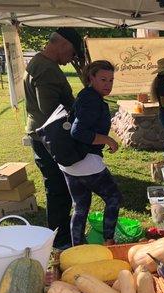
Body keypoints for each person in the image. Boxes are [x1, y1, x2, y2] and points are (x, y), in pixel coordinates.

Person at [24, 28, 84, 249]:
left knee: (57, 187)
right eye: (72, 54)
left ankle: (61, 233)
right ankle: (60, 240)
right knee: (59, 189)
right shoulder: (47, 69)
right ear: (63, 45)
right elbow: (51, 111)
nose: (70, 61)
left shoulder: (38, 61)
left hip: (41, 134)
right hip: (49, 138)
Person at [59, 60, 122, 246]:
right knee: (114, 197)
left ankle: (78, 247)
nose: (108, 84)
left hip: (70, 163)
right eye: (103, 79)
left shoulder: (86, 95)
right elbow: (78, 132)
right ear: (91, 78)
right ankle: (109, 241)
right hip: (86, 162)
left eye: (111, 80)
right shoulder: (92, 100)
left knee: (80, 207)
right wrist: (107, 139)